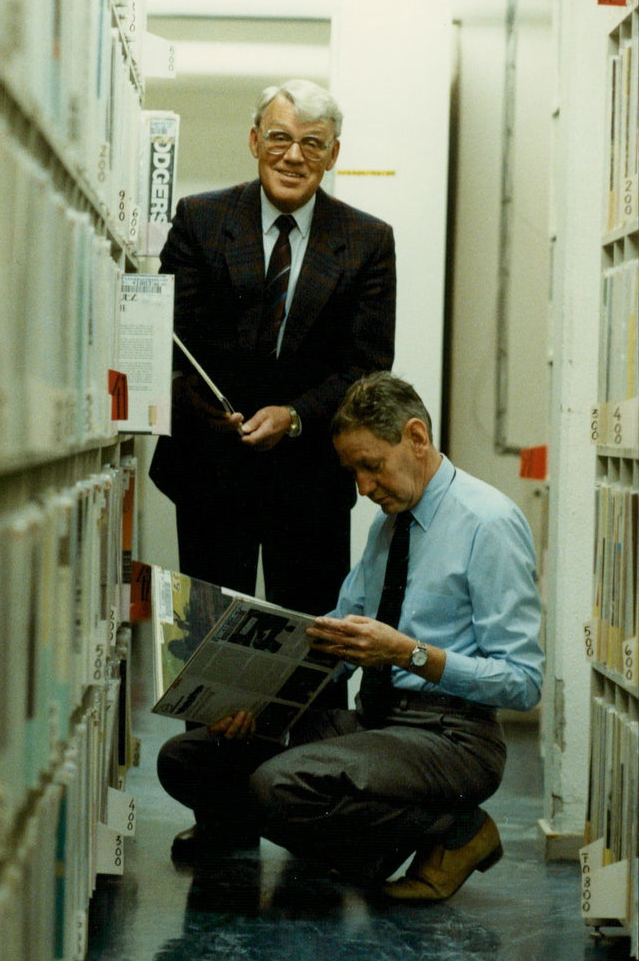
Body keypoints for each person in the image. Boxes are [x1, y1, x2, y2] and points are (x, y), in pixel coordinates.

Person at [156, 373, 545, 900]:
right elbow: (334, 640)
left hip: (453, 738)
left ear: (416, 437)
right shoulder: (388, 526)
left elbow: (523, 683)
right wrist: (254, 700)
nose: (362, 488)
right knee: (188, 760)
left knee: (278, 786)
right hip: (377, 723)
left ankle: (456, 830)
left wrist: (407, 653)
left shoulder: (489, 524)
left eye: (371, 465)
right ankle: (372, 847)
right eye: (353, 471)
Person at [149, 78, 396, 620]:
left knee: (313, 650)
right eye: (280, 138)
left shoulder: (368, 240)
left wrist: (295, 417)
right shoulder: (201, 220)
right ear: (254, 141)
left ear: (333, 155)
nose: (293, 156)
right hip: (211, 471)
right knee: (209, 647)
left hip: (311, 484)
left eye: (312, 143)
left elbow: (367, 366)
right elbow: (167, 343)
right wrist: (211, 416)